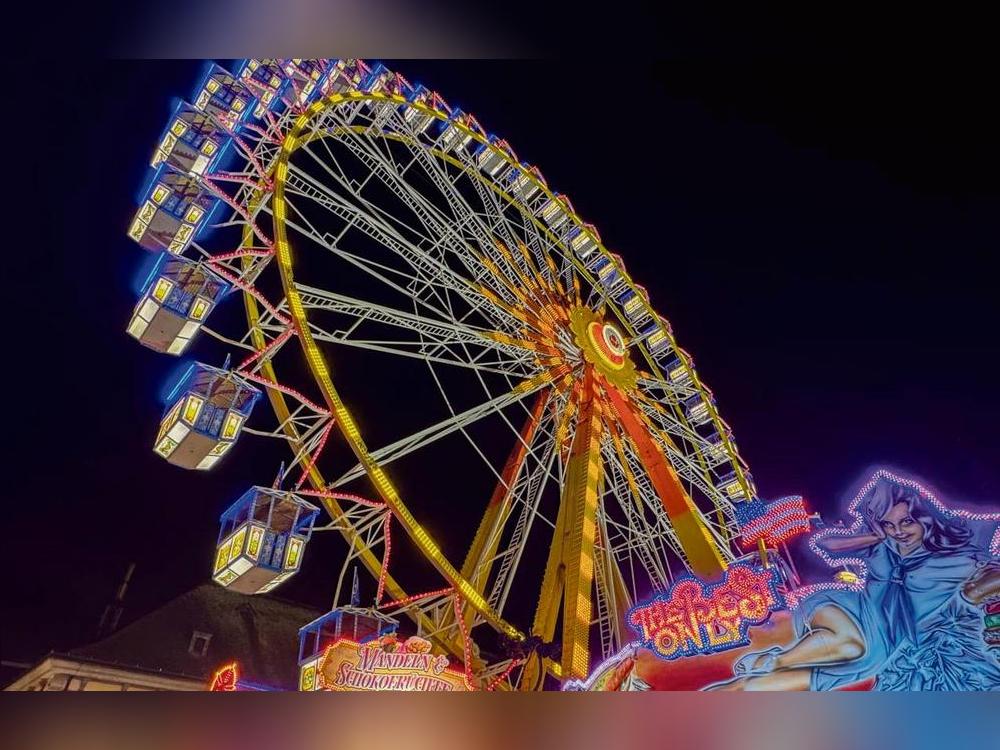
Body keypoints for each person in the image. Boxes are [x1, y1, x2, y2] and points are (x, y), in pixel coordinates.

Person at [706, 474, 1000, 691]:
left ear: (925, 518)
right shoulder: (883, 547)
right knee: (849, 646)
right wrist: (875, 537)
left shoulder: (967, 536)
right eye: (889, 524)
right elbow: (826, 544)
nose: (898, 532)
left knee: (758, 689)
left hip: (891, 644)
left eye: (907, 521)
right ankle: (777, 658)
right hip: (858, 615)